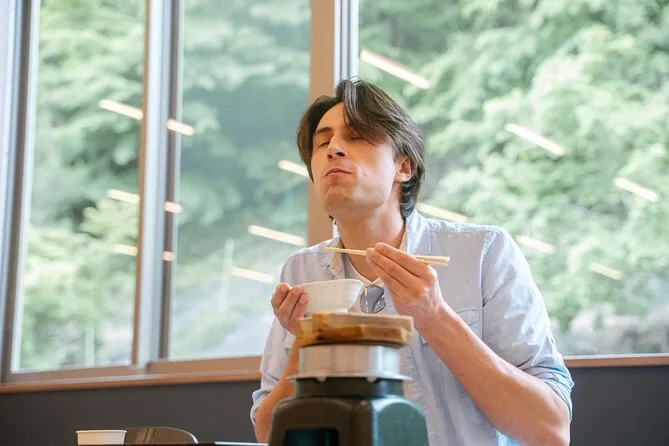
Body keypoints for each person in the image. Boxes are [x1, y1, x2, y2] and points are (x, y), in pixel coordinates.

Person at [250, 78, 574, 446]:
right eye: (322, 143)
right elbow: (268, 434)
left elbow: (549, 428)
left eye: (356, 137)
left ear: (403, 166)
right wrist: (309, 344)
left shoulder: (484, 251)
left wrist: (433, 316)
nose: (333, 149)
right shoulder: (301, 271)